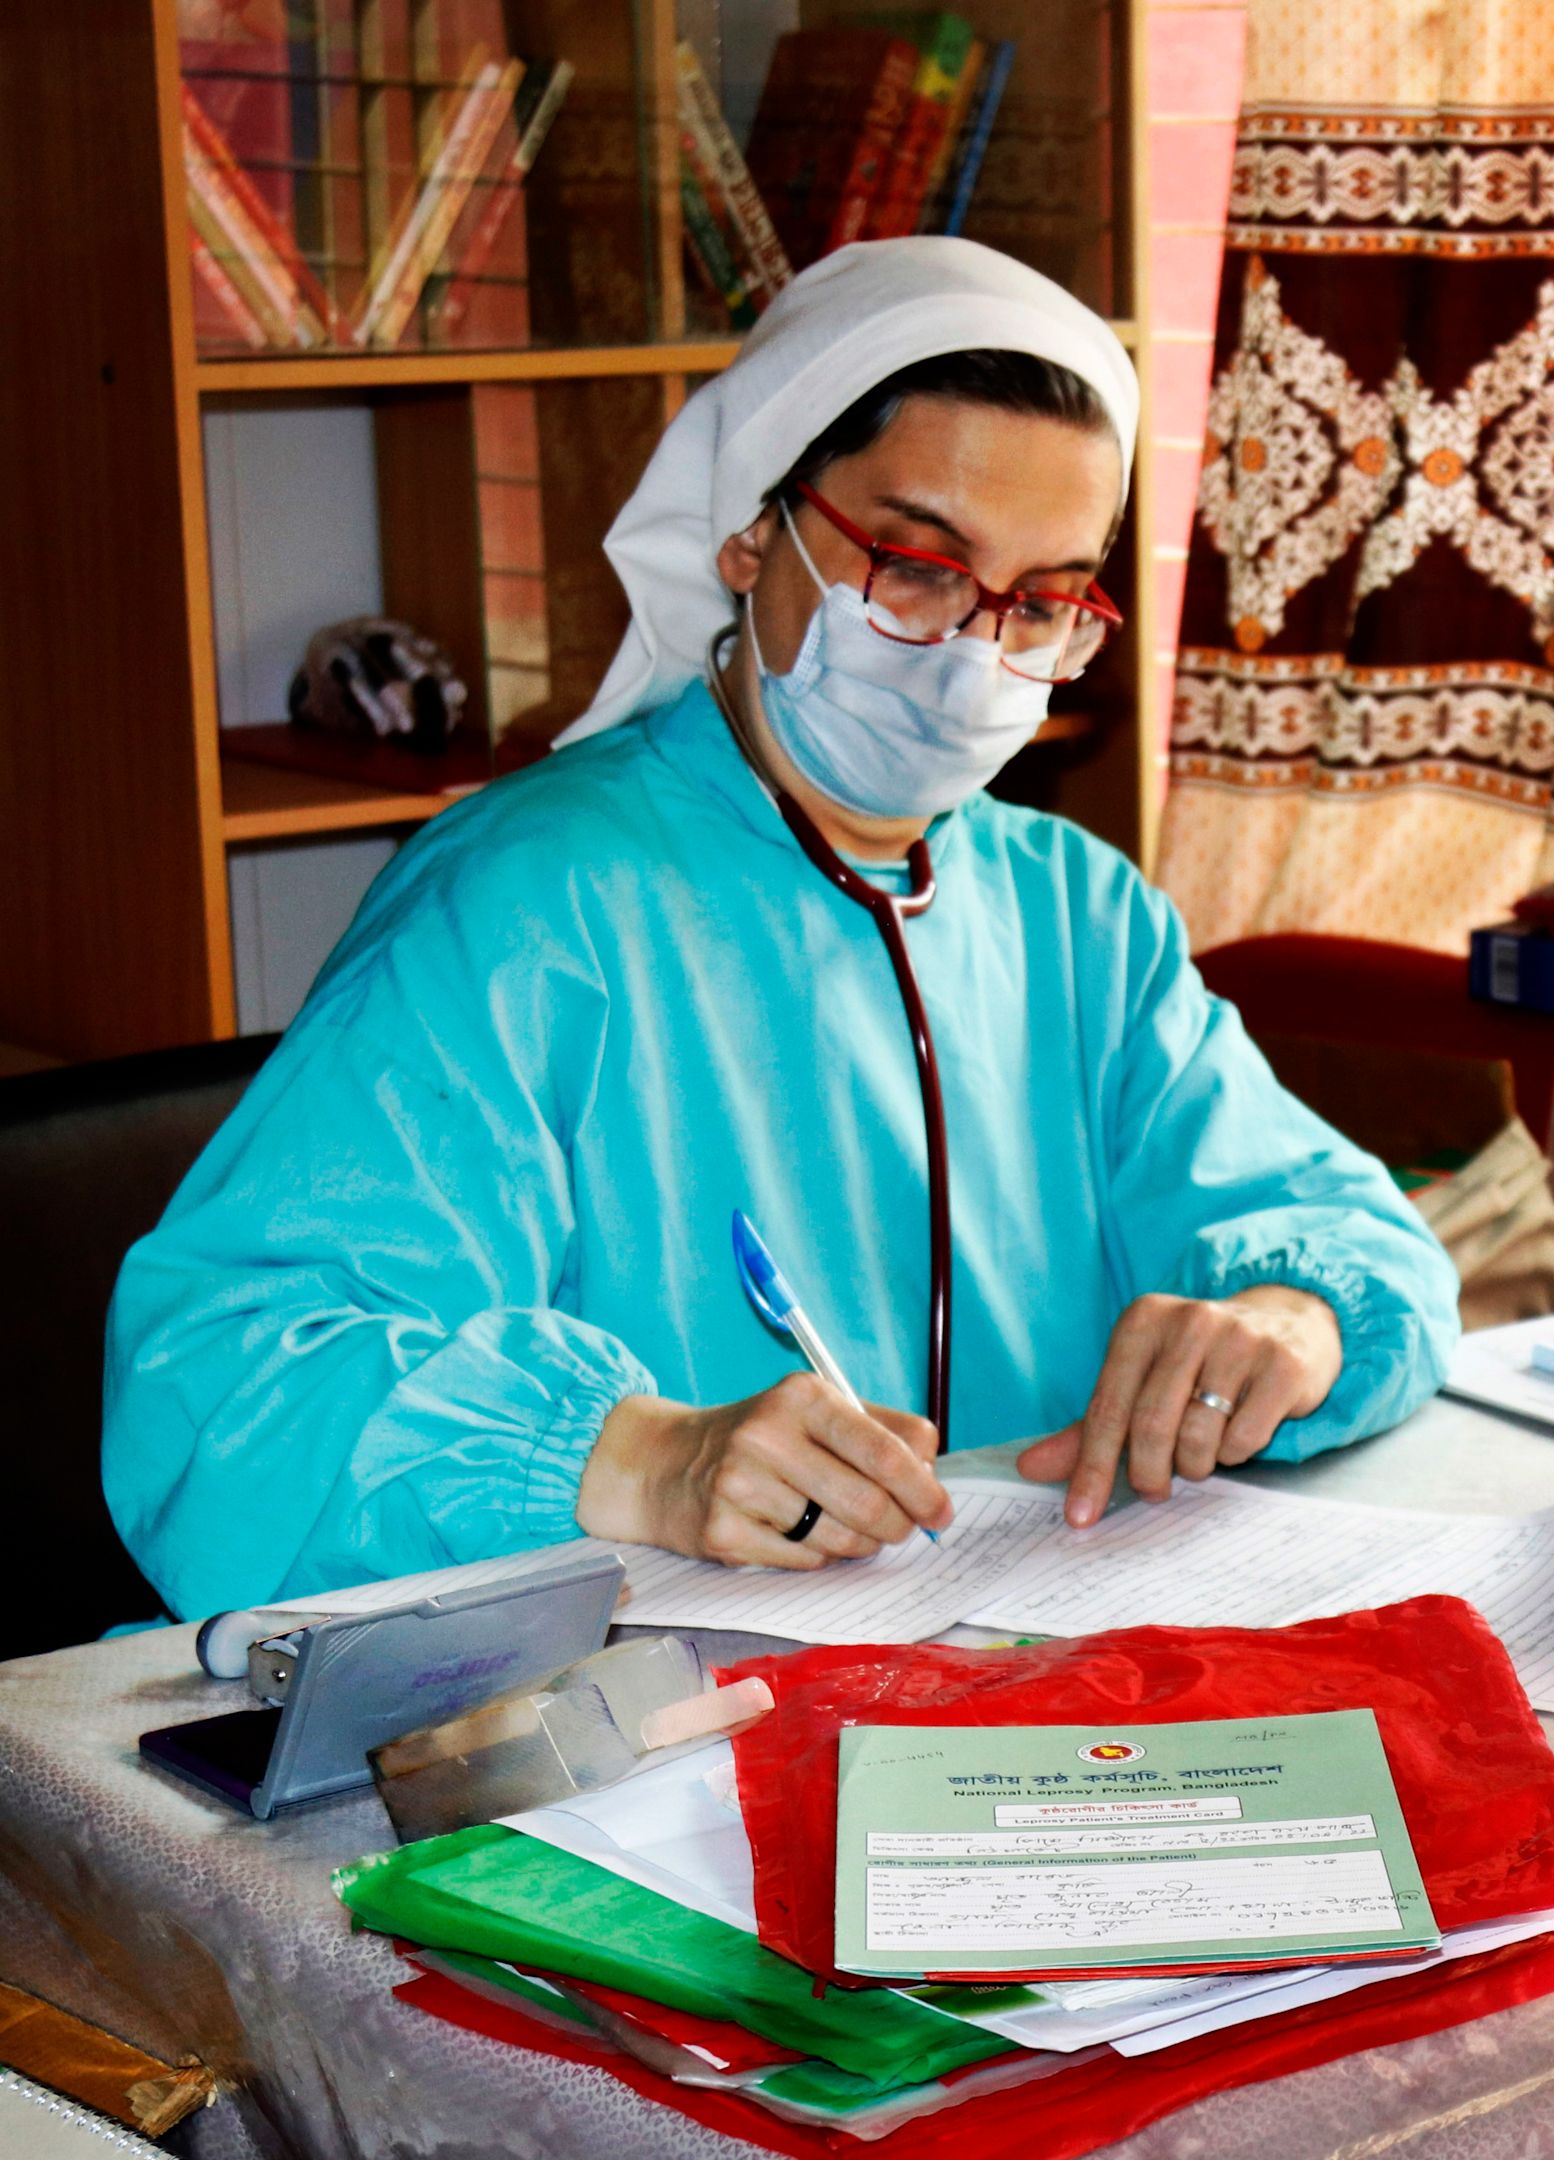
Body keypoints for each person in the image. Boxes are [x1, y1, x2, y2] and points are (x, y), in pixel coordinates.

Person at [106, 240, 1461, 1617]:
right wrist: (639, 1458)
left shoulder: (1079, 918)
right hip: (628, 1727)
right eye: (920, 565)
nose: (975, 651)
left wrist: (1285, 1324)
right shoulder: (530, 904)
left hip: (1029, 1692)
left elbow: (1362, 1240)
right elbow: (226, 1374)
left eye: (1045, 601)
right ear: (755, 531)